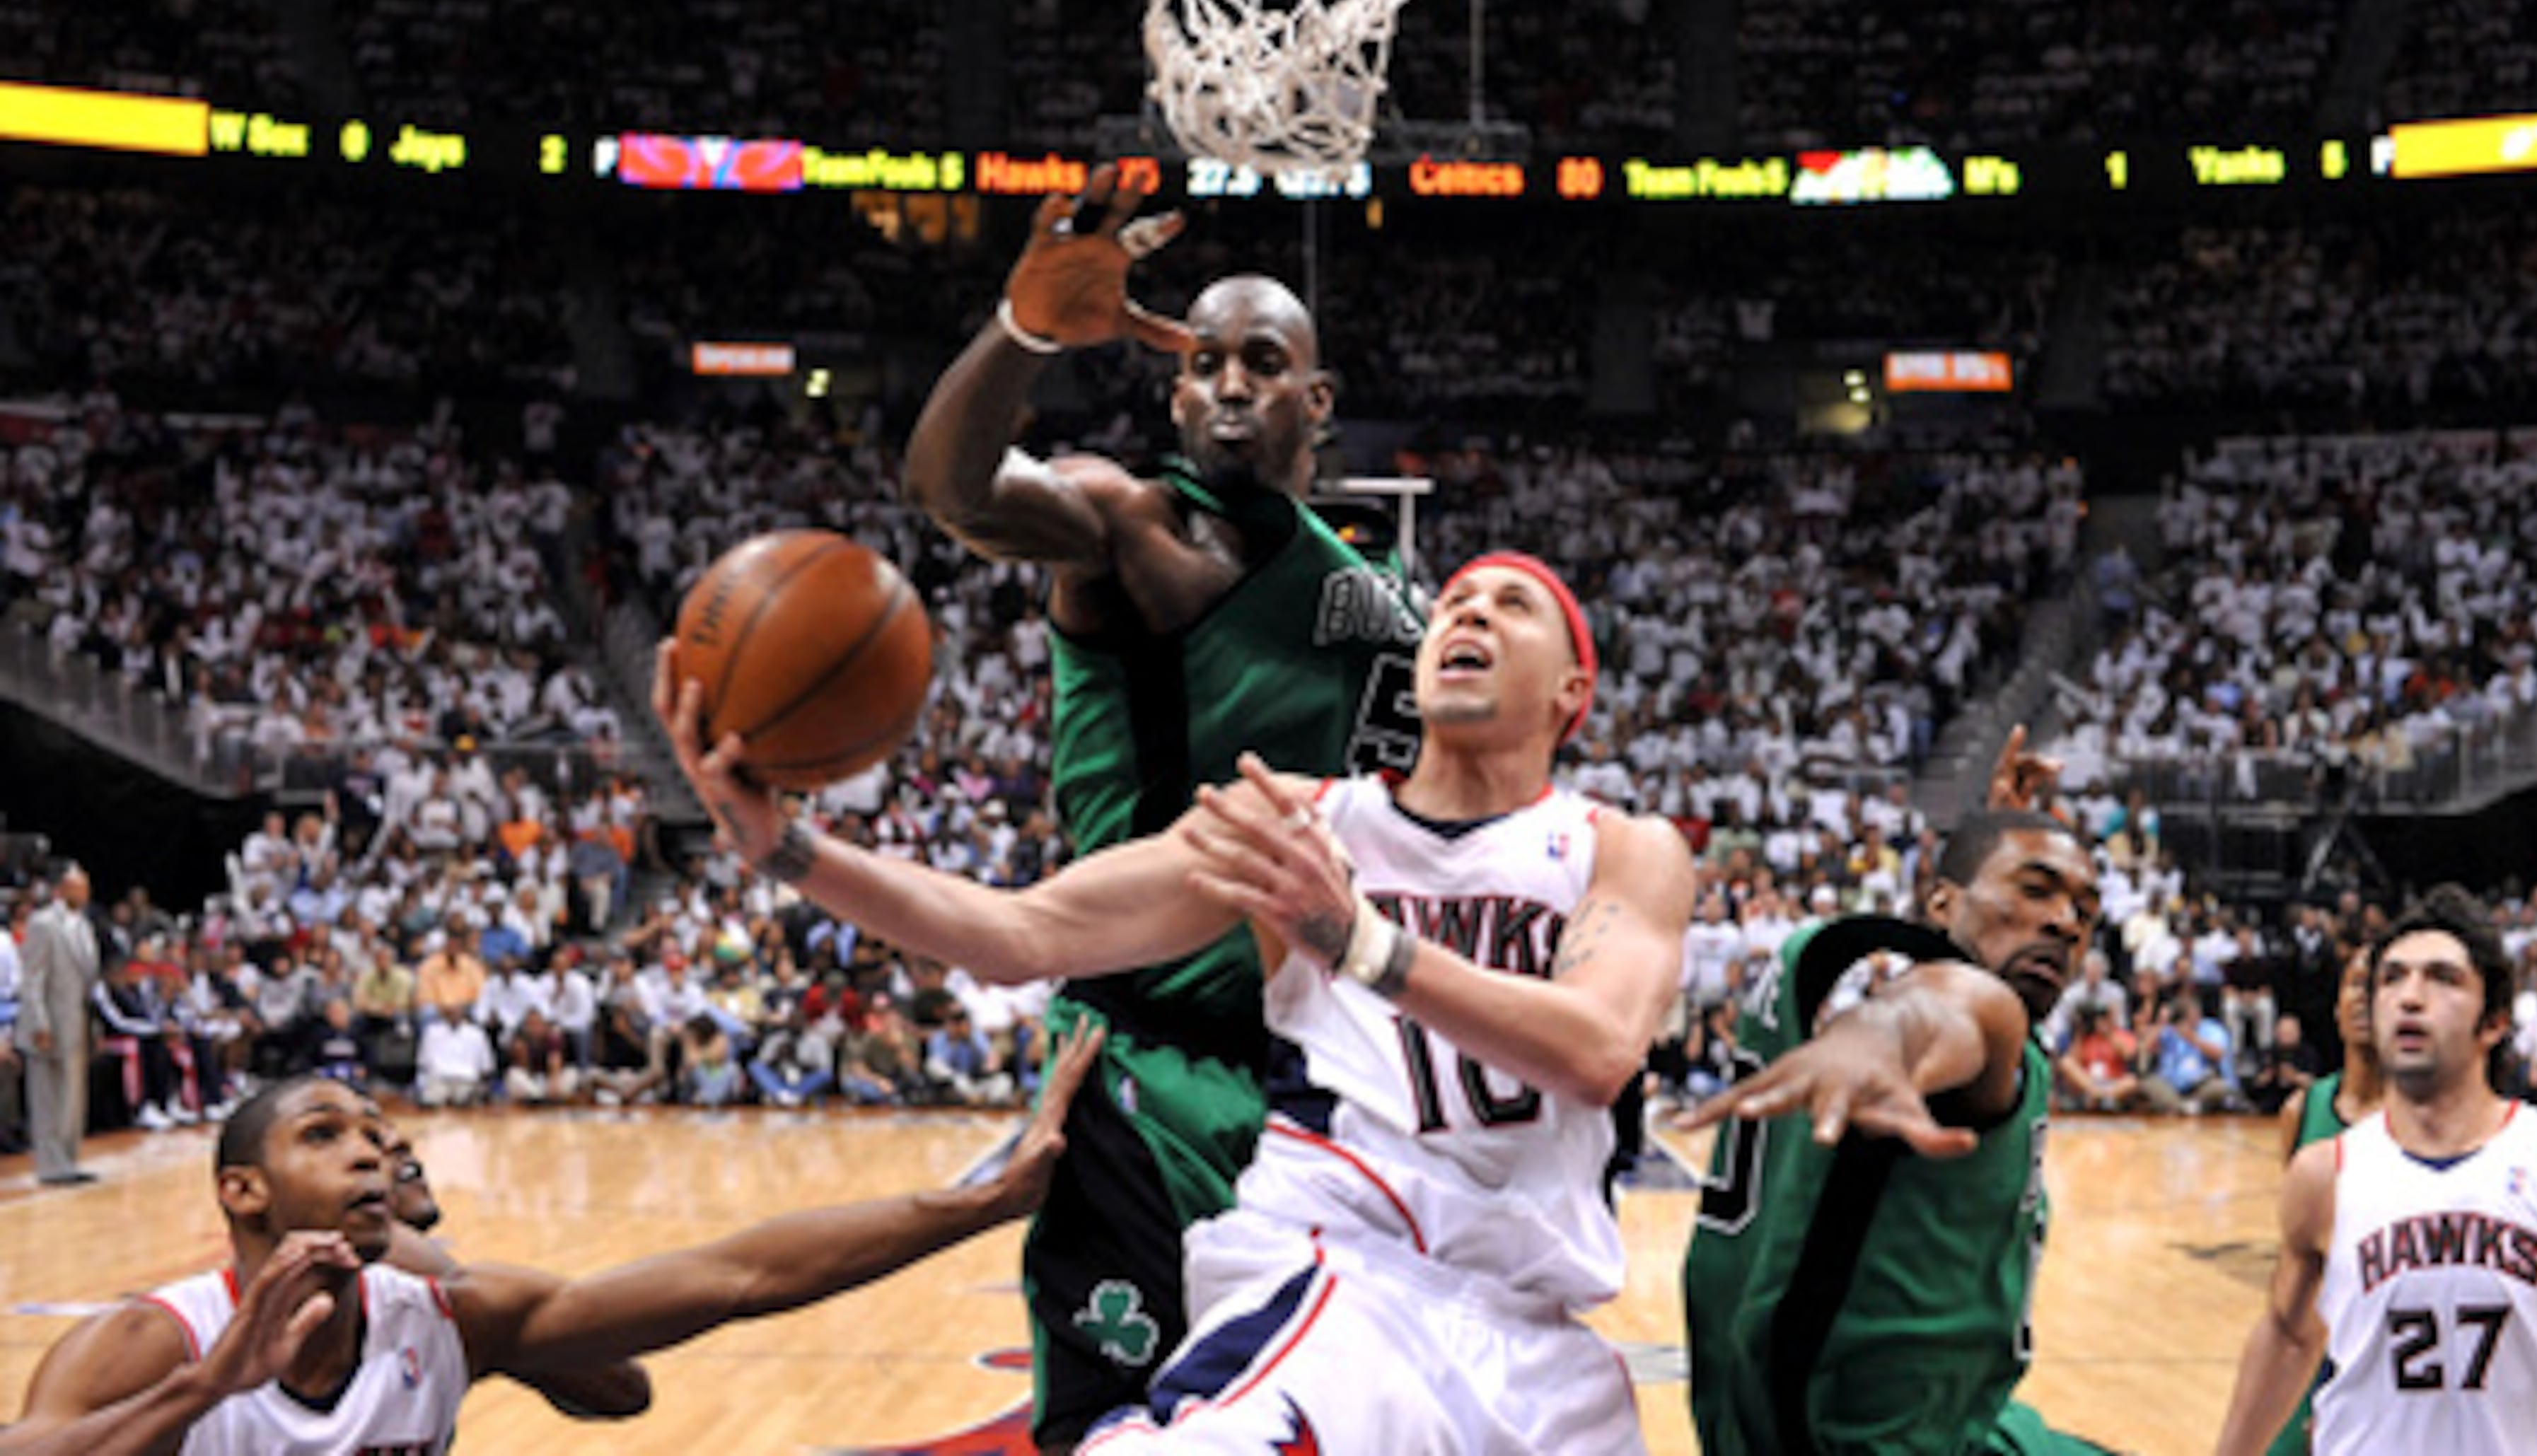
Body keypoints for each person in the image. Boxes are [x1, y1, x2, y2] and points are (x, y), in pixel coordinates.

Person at [658, 552, 1690, 1451]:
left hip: (1542, 1348)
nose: (1470, 612)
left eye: (1513, 605)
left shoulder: (1620, 849)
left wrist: (1361, 942)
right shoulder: (1298, 825)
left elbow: (1597, 1049)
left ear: (1573, 687)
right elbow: (1023, 933)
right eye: (1456, 600)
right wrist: (786, 848)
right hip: (1341, 1288)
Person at [900, 163, 1424, 1446]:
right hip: (1147, 1058)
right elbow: (955, 492)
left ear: (1317, 398)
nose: (1230, 383)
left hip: (1325, 1074)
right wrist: (1023, 331)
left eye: (1262, 361)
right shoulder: (1127, 523)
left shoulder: (1382, 601)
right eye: (1204, 364)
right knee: (1123, 1422)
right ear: (1175, 394)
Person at [0, 1028, 1101, 1456]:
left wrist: (984, 1205)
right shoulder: (154, 1341)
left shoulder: (447, 1316)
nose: (370, 1153)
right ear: (241, 1190)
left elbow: (737, 1275)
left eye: (379, 1135)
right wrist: (207, 1388)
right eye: (325, 1135)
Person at [1680, 784, 2118, 1455]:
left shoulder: (1814, 956)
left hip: (1758, 1415)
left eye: (2085, 911)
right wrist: (1882, 1035)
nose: (2065, 923)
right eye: (2034, 890)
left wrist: (1994, 830)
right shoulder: (1969, 1006)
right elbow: (1943, 1004)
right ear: (1941, 903)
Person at [2212, 886, 2537, 1456]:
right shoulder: (2324, 1176)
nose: (2410, 998)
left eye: (2442, 979)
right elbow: (2286, 1336)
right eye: (2392, 979)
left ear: (2494, 1021)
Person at [371, 1117, 653, 1423]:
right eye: (337, 1133)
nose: (398, 1141)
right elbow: (623, 1389)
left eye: (377, 1123)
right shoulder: (387, 1264)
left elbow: (620, 1387)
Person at [2259, 943, 2380, 1456]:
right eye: (2355, 984)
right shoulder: (2303, 1110)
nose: (2364, 998)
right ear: (2336, 1005)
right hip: (2307, 1353)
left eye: (2379, 985)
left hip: (2382, 1356)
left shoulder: (2422, 1119)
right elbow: (2293, 1258)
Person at [21, 863, 103, 1187]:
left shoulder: (83, 925)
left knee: (72, 1097)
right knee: (48, 1097)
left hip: (77, 1021)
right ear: (64, 888)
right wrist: (39, 1022)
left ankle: (69, 1159)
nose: (86, 892)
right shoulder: (43, 923)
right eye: (80, 887)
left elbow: (88, 980)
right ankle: (50, 1165)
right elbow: (32, 978)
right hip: (51, 1024)